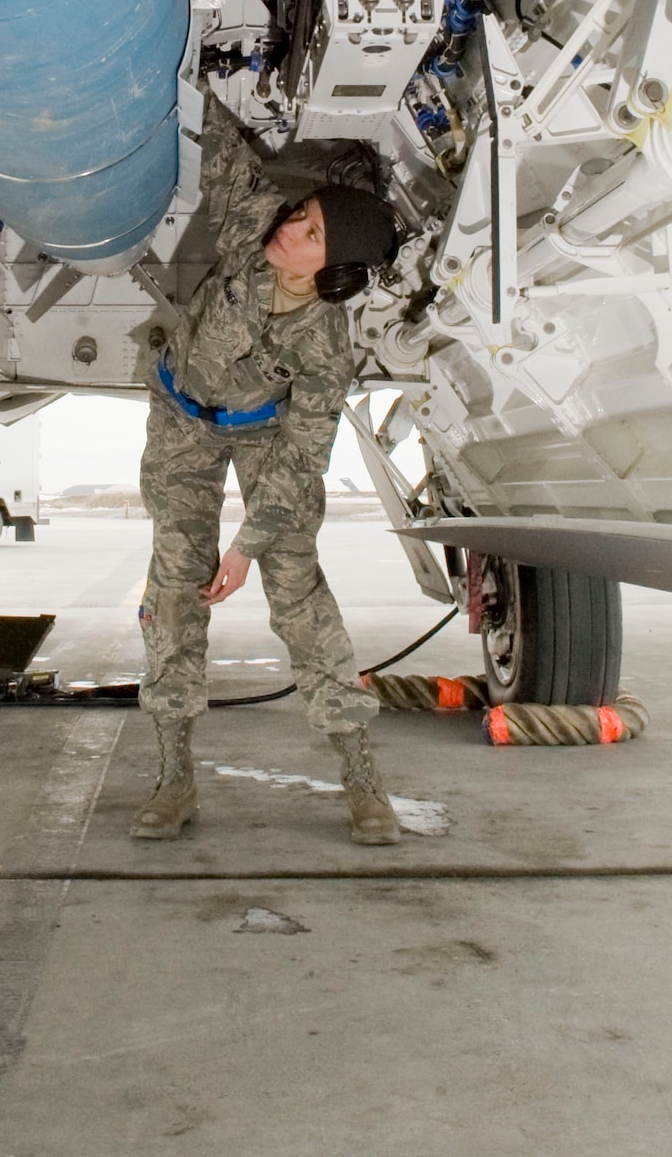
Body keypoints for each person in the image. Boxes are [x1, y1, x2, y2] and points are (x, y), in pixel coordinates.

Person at [134, 86, 402, 846]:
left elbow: (305, 452)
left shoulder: (326, 345)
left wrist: (246, 547)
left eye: (311, 233)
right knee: (175, 589)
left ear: (338, 268)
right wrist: (188, 79)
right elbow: (226, 157)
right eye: (300, 215)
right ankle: (173, 777)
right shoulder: (257, 226)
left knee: (298, 594)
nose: (290, 230)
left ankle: (362, 783)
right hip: (182, 418)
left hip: (265, 436)